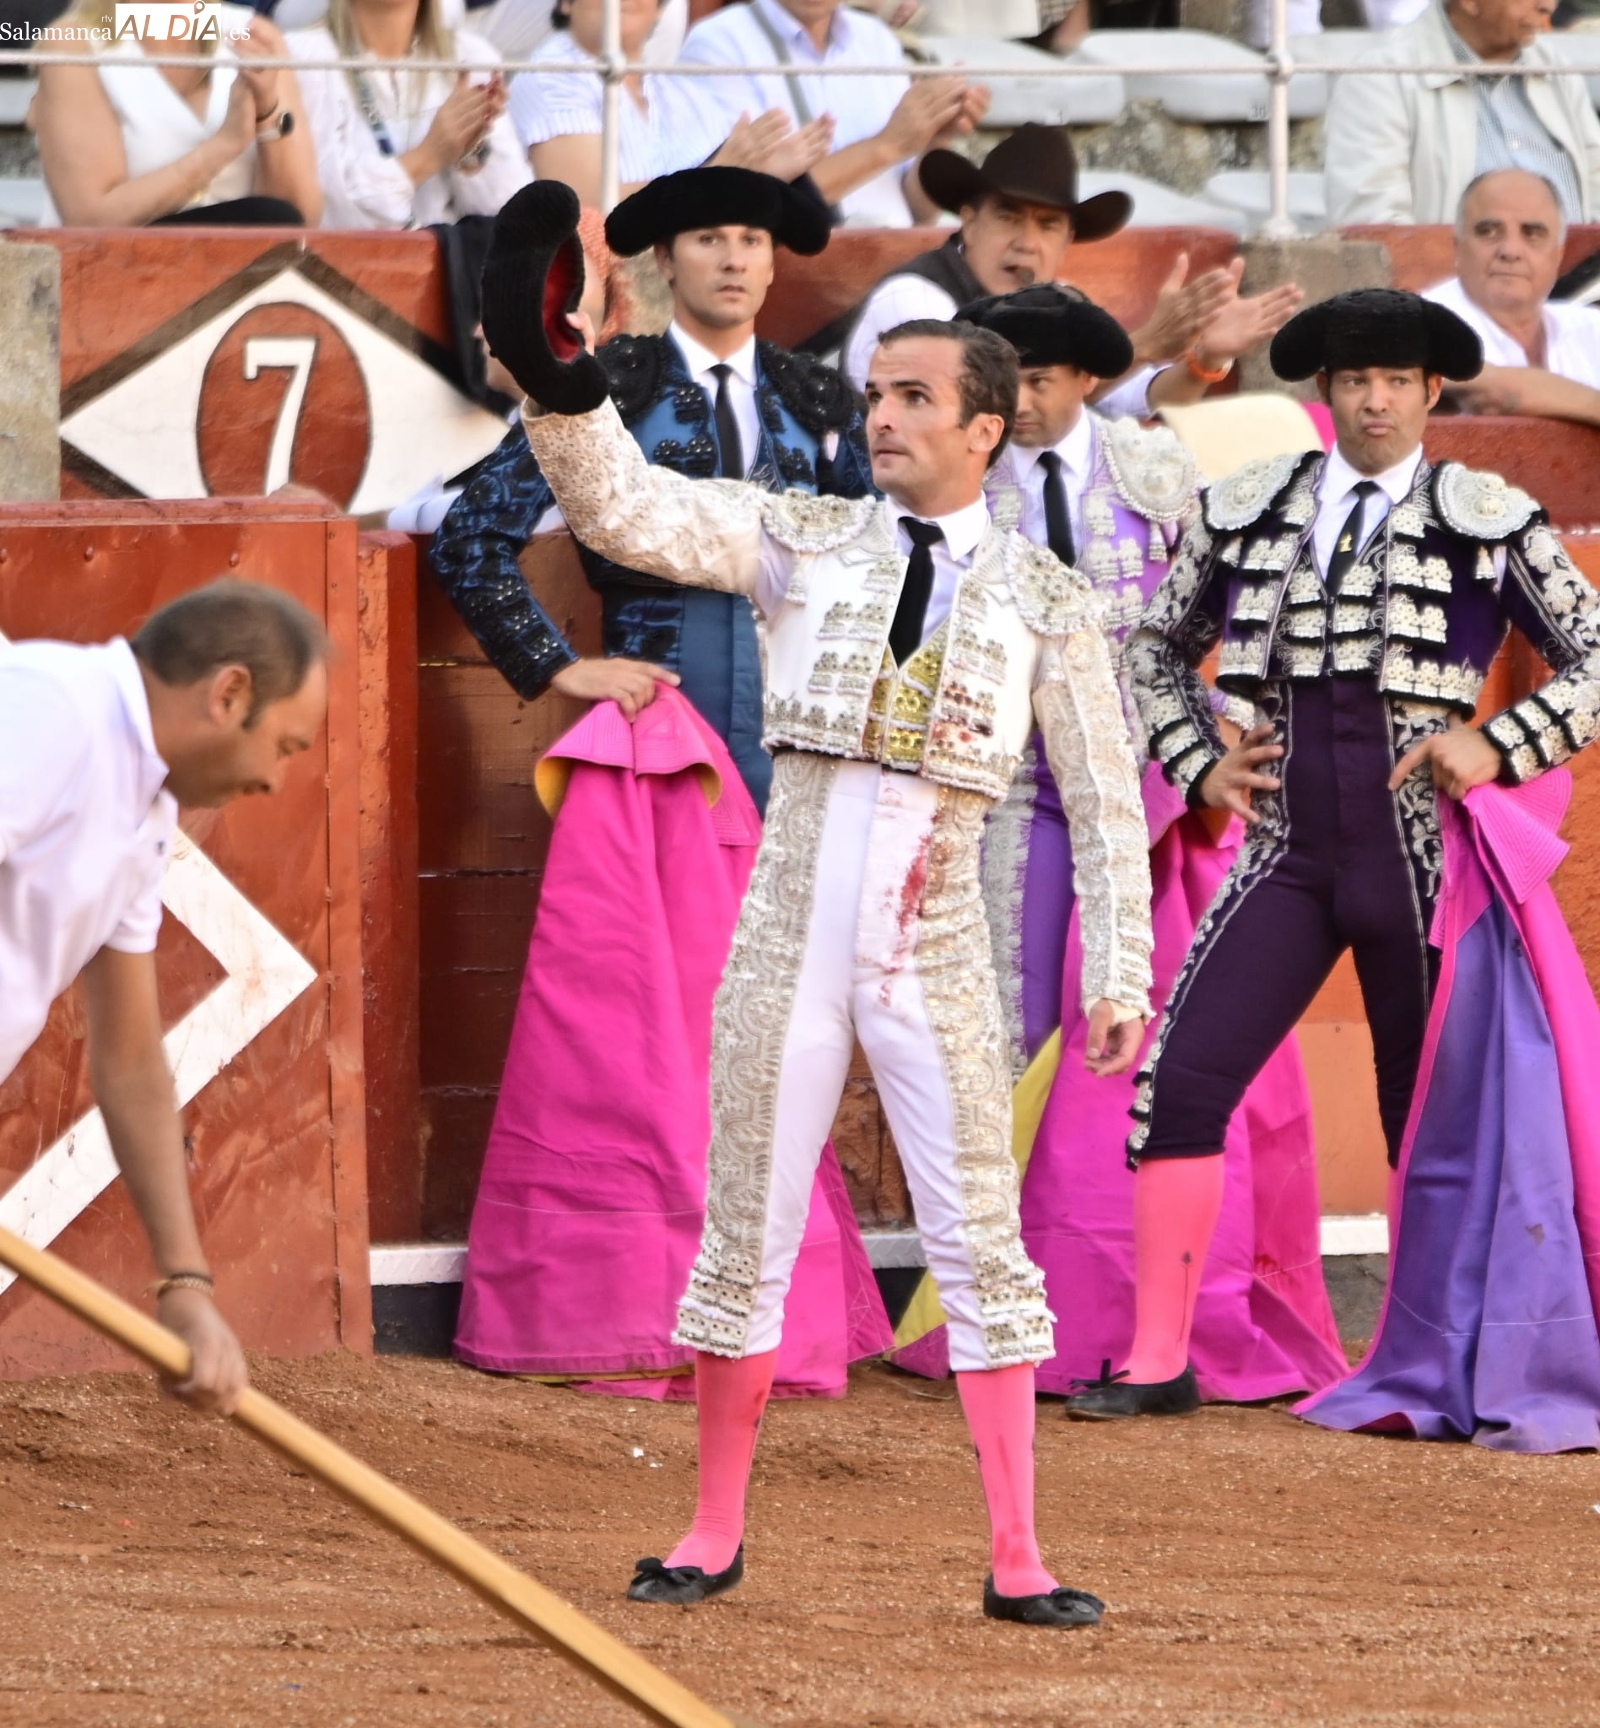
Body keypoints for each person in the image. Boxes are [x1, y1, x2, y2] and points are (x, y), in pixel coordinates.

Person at [480, 179, 1156, 1626]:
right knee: (746, 1228)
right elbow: (628, 508)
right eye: (876, 395)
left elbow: (1107, 802)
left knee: (979, 1242)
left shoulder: (1047, 599)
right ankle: (710, 1530)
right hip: (787, 934)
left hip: (936, 949)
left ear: (986, 427)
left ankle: (1018, 1555)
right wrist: (558, 377)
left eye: (914, 399)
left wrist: (1121, 971)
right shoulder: (806, 539)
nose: (882, 418)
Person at [1061, 286, 1600, 1421]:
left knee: (1427, 1117)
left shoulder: (1488, 516)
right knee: (1180, 1077)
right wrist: (1197, 765)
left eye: (1397, 380)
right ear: (1326, 390)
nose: (1375, 401)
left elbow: (1595, 656)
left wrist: (1497, 742)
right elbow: (1154, 650)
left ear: (1431, 391)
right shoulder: (1250, 508)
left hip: (1420, 859)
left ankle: (1434, 1364)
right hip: (1289, 852)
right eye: (1356, 380)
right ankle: (1157, 1361)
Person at [444, 168, 888, 1398]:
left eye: (752, 239)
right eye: (710, 238)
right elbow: (470, 535)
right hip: (666, 757)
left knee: (779, 1031)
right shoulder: (613, 384)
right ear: (665, 261)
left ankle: (763, 1310)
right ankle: (646, 1303)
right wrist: (559, 667)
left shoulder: (821, 398)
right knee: (646, 1029)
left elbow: (870, 581)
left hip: (793, 752)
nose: (735, 258)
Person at [887, 285, 1345, 1405]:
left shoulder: (1154, 470)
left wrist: (1216, 737)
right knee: (1006, 1032)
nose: (1016, 404)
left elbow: (1228, 616)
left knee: (1142, 1038)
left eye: (1038, 381)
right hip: (1003, 788)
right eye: (1002, 383)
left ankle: (1138, 1312)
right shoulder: (957, 481)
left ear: (1088, 380)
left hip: (1142, 791)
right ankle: (1003, 1311)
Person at [0, 579, 329, 1417]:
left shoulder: (143, 814)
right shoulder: (52, 713)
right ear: (230, 694)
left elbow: (130, 1061)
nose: (276, 779)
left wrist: (184, 1284)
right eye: (285, 746)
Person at [830, 127, 1303, 419]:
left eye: (1048, 225)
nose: (1026, 241)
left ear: (1067, 240)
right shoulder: (914, 297)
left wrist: (1204, 359)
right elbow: (978, 404)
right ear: (968, 221)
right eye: (1008, 217)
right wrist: (1144, 344)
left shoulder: (1061, 300)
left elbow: (1136, 398)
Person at [666, 0, 989, 228]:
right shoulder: (718, 43)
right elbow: (735, 206)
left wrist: (935, 137)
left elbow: (916, 210)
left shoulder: (876, 40)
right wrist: (888, 144)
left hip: (893, 261)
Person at [508, 0, 832, 208]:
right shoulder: (550, 76)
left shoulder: (678, 89)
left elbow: (728, 170)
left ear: (660, 8)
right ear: (566, 3)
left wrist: (765, 173)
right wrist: (714, 178)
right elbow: (587, 208)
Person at [34, 2, 322, 226]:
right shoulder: (73, 44)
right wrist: (223, 145)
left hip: (248, 271)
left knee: (273, 216)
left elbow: (298, 219)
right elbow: (90, 222)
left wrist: (266, 113)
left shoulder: (253, 35)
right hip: (124, 271)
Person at [1325, 0, 1600, 227]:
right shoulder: (1379, 80)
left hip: (1583, 276)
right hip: (1442, 279)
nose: (1548, 6)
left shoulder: (1556, 69)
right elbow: (1376, 232)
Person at [289, 0, 528, 229]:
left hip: (448, 254)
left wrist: (470, 154)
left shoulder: (470, 56)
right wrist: (428, 156)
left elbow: (512, 216)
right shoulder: (304, 58)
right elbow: (326, 212)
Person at [1424, 168, 1600, 424]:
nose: (1511, 250)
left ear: (1558, 254)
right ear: (1458, 248)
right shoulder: (1423, 322)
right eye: (1489, 232)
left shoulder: (1591, 329)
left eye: (1532, 234)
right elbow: (1494, 395)